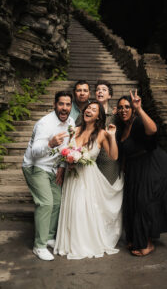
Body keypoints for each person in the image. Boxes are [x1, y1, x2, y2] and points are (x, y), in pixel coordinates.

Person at [54, 101, 123, 259]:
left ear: (99, 116)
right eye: (88, 108)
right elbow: (66, 151)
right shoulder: (74, 130)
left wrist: (112, 137)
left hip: (88, 178)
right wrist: (67, 160)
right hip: (72, 176)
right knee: (71, 207)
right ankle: (69, 242)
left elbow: (114, 156)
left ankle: (83, 243)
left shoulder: (102, 134)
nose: (89, 110)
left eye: (94, 109)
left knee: (82, 208)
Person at [116, 90, 167, 256]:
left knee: (144, 203)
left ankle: (147, 243)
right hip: (135, 168)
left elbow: (153, 130)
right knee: (133, 203)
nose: (123, 110)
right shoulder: (122, 127)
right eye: (120, 107)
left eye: (127, 107)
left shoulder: (138, 122)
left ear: (133, 108)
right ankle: (136, 238)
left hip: (153, 165)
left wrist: (140, 109)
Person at [22, 91, 75, 261]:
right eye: (61, 104)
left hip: (53, 168)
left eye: (68, 104)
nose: (64, 108)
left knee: (58, 202)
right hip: (35, 166)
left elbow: (65, 149)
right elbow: (36, 152)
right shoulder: (44, 124)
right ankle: (39, 246)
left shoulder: (71, 122)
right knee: (45, 203)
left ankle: (49, 237)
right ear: (54, 105)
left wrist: (61, 166)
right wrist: (50, 143)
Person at [95, 80, 120, 185]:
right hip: (91, 159)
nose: (100, 92)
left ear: (109, 95)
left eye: (104, 90)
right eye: (97, 90)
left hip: (109, 161)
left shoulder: (116, 116)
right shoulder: (88, 113)